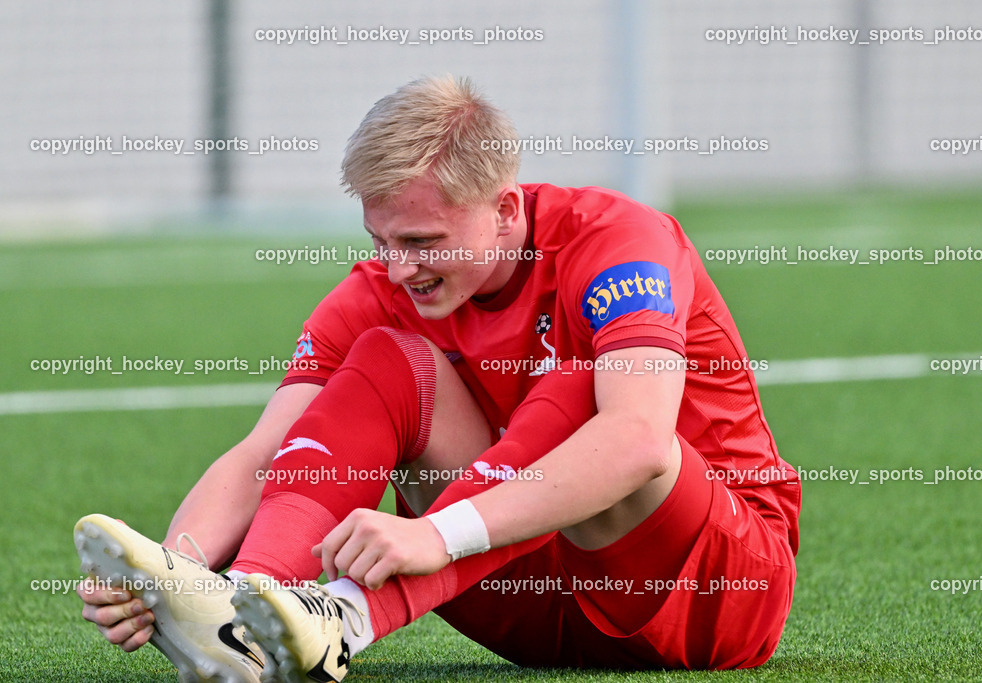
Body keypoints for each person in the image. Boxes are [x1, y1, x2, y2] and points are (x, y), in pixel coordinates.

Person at [75, 75, 801, 683]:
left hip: (709, 594)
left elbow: (640, 439)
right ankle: (246, 617)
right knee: (384, 358)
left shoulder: (617, 241)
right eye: (381, 240)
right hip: (527, 596)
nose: (398, 268)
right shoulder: (382, 289)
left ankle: (347, 617)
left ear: (505, 209)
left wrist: (436, 534)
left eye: (422, 241)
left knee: (582, 388)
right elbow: (266, 450)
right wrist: (178, 577)